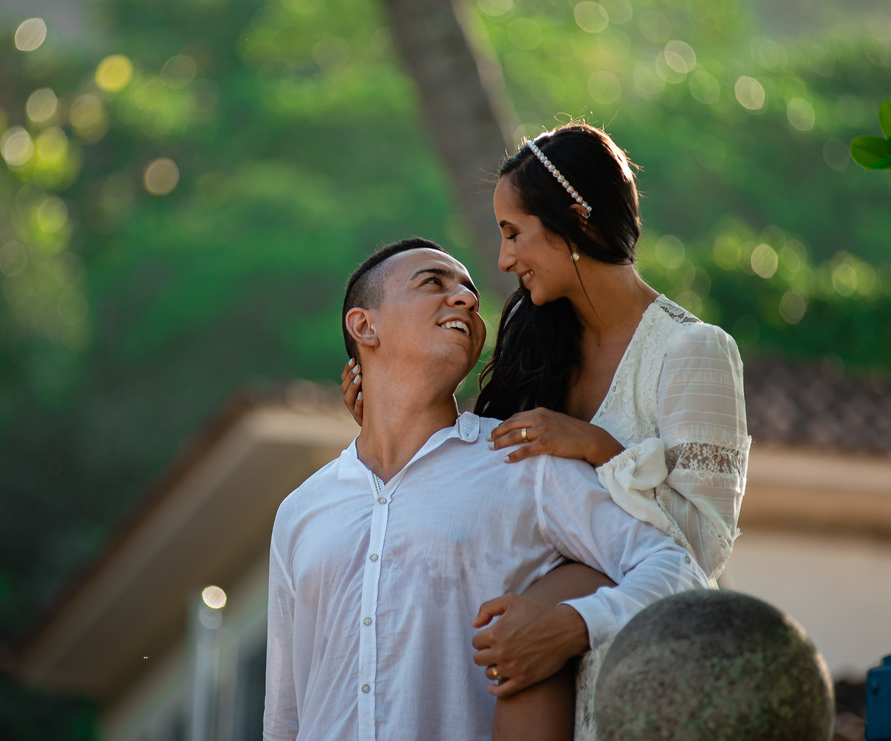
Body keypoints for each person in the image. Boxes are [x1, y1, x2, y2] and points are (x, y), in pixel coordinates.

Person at [340, 123, 750, 734]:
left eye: (514, 233)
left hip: (639, 673)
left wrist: (598, 448)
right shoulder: (533, 337)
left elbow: (702, 547)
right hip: (521, 672)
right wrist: (389, 421)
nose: (504, 260)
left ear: (575, 219)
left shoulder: (692, 351)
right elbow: (488, 482)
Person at [267, 238, 707, 741]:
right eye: (433, 282)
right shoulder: (301, 511)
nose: (467, 299)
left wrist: (574, 624)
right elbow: (285, 717)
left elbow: (678, 570)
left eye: (471, 293)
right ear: (365, 326)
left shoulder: (524, 464)